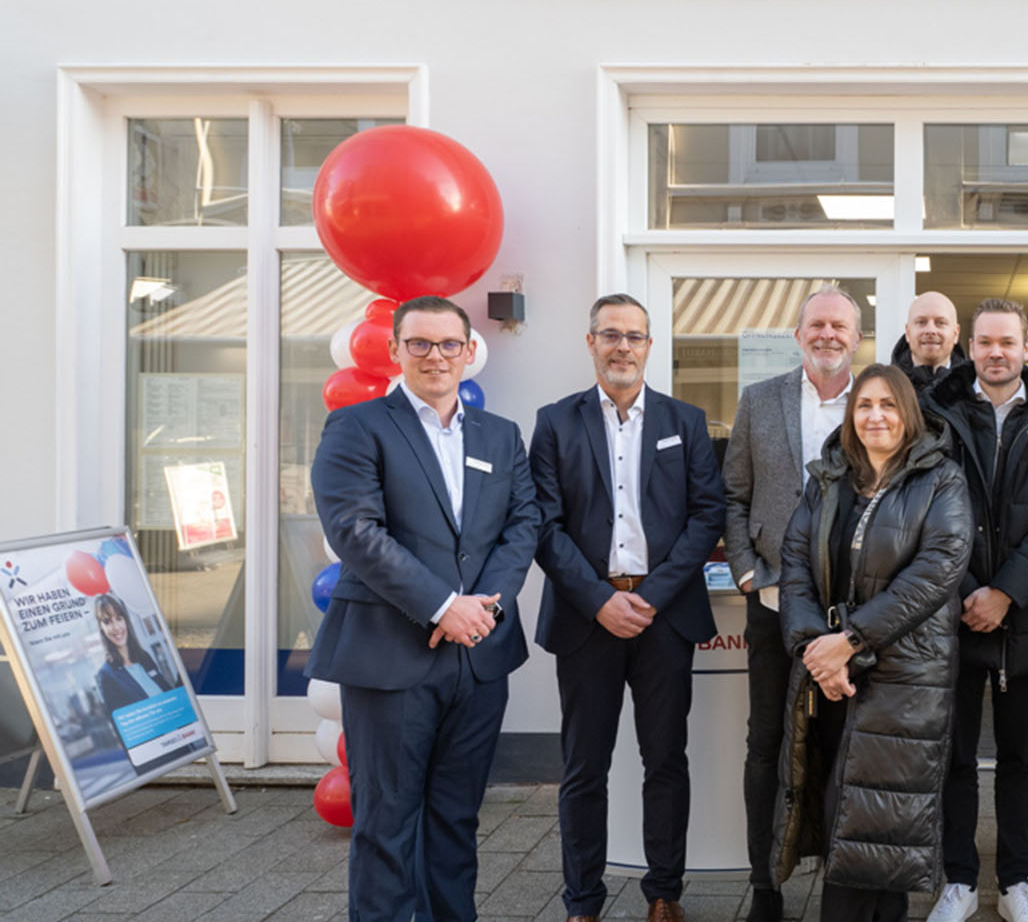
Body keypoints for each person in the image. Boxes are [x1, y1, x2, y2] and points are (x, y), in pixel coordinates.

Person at [308, 295, 539, 922]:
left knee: (456, 822)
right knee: (385, 825)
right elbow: (356, 531)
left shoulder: (501, 434)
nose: (435, 357)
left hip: (479, 657)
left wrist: (481, 609)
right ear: (395, 351)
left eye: (447, 345)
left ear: (468, 352)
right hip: (390, 656)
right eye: (419, 344)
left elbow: (523, 524)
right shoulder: (356, 429)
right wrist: (443, 607)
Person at [529, 294, 726, 922]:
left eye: (634, 336)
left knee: (665, 759)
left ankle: (664, 892)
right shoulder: (555, 422)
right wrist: (599, 601)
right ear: (590, 342)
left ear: (649, 345)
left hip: (661, 615)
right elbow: (543, 524)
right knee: (584, 766)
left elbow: (707, 516)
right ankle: (583, 901)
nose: (622, 347)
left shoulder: (685, 421)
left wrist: (648, 596)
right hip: (587, 618)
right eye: (610, 335)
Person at [769, 364, 971, 922]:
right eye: (864, 405)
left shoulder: (942, 480)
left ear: (908, 413)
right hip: (831, 678)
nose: (875, 416)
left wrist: (850, 641)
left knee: (881, 825)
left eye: (887, 404)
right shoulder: (828, 479)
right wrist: (818, 649)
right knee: (846, 818)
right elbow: (795, 567)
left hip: (905, 676)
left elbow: (937, 571)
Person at [921, 299, 1028, 922]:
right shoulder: (935, 411)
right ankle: (958, 880)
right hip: (950, 614)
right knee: (954, 756)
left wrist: (1006, 592)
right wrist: (965, 591)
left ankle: (1016, 881)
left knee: (1024, 757)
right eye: (985, 341)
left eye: (1007, 342)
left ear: (1025, 348)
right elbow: (928, 507)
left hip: (1027, 614)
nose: (995, 352)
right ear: (971, 346)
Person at [723, 285, 863, 922]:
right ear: (798, 333)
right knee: (767, 744)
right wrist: (748, 572)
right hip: (774, 602)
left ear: (856, 337)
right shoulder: (759, 400)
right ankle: (765, 888)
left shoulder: (877, 402)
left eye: (840, 325)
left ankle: (843, 882)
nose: (828, 334)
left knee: (843, 746)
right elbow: (733, 495)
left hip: (849, 614)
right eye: (817, 324)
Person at [93, 592, 176, 713]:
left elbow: (167, 693)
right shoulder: (106, 676)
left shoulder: (144, 657)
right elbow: (121, 724)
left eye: (119, 618)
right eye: (107, 622)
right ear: (101, 628)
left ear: (126, 621)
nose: (116, 627)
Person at [891, 290, 964, 389]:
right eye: (921, 322)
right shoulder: (886, 388)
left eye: (940, 322)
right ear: (908, 333)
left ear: (956, 333)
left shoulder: (975, 390)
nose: (930, 330)